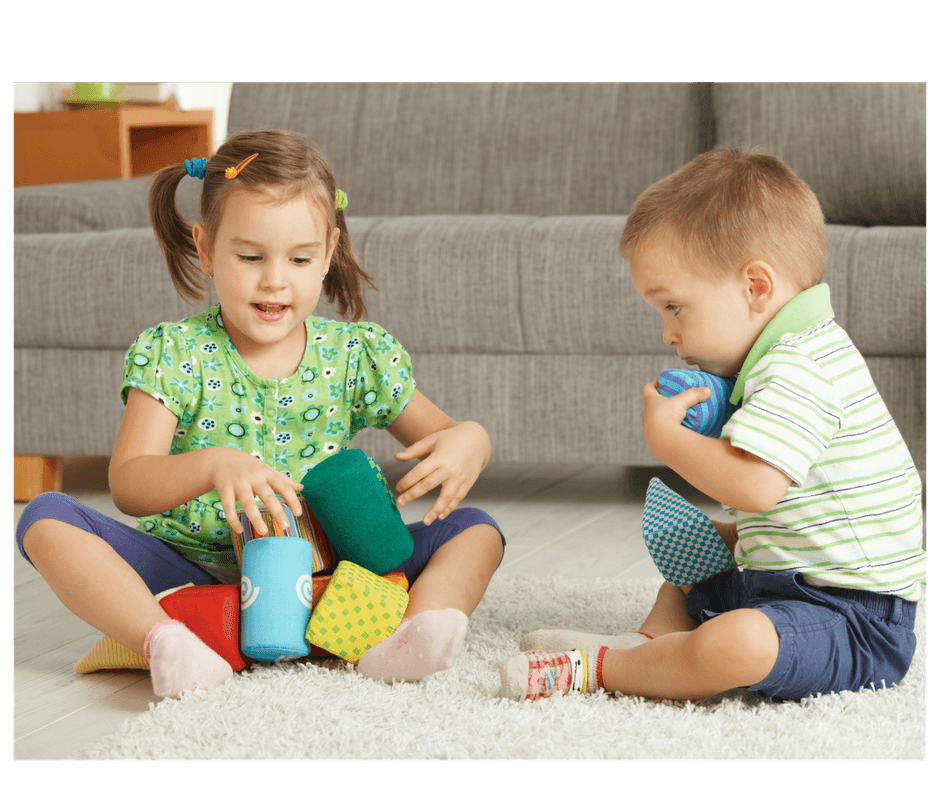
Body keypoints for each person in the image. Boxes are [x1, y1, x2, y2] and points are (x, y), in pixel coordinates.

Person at [17, 129, 505, 699]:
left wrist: (471, 439)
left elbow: (445, 434)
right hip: (198, 569)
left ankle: (411, 632)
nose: (276, 279)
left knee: (477, 532)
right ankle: (167, 643)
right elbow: (128, 482)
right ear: (205, 248)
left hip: (333, 575)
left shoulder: (354, 355)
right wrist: (214, 465)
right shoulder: (176, 354)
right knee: (44, 517)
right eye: (250, 256)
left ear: (328, 254)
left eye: (300, 258)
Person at [499, 146, 925, 702]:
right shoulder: (781, 357)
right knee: (693, 552)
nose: (667, 334)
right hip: (790, 580)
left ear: (756, 288)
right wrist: (729, 537)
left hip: (854, 619)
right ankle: (645, 643)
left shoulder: (801, 366)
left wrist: (667, 441)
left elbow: (755, 487)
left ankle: (603, 671)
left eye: (674, 307)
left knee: (739, 644)